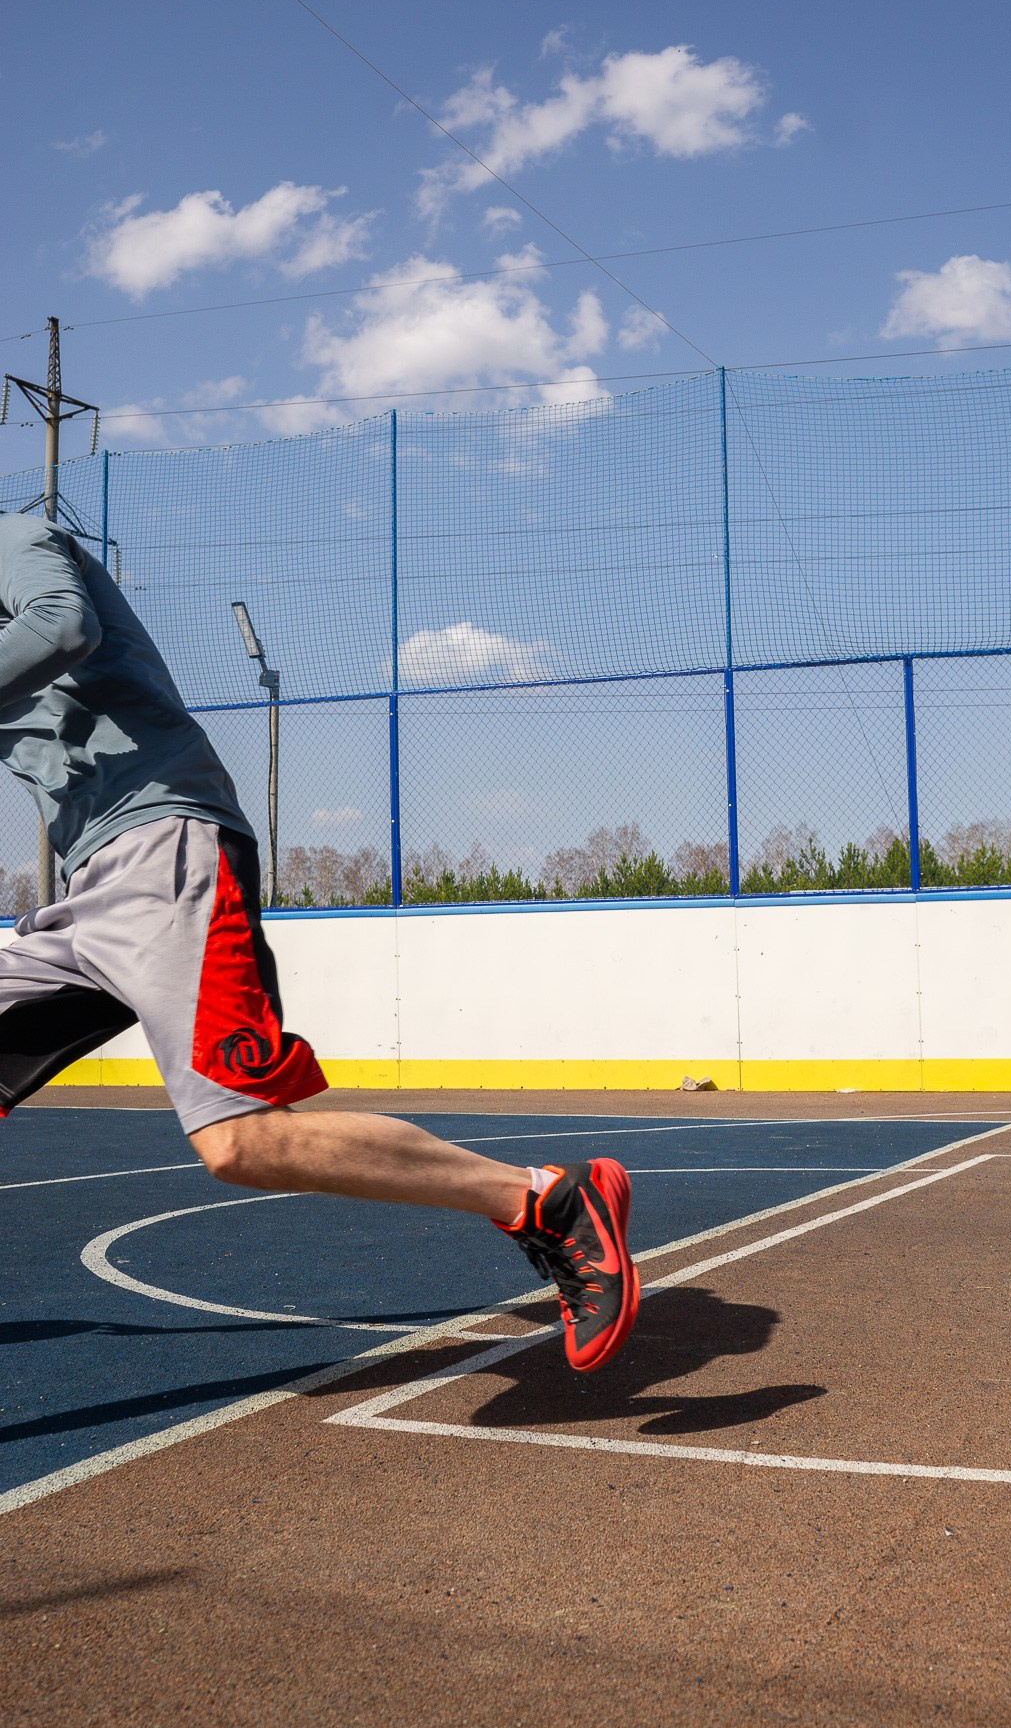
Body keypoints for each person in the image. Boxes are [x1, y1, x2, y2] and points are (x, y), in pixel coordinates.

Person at [0, 506, 639, 1369]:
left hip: (163, 851)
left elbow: (60, 625)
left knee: (241, 1140)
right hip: (88, 890)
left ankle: (546, 1201)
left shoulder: (13, 538)